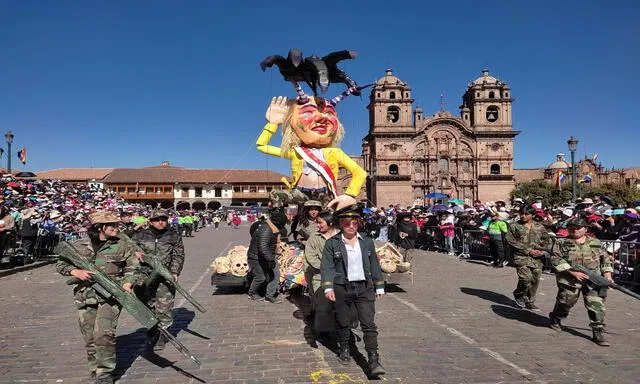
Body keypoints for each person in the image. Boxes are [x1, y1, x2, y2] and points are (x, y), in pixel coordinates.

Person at [55, 211, 142, 384]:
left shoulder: (122, 244)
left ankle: (105, 371)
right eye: (113, 225)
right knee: (89, 336)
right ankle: (94, 367)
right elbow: (61, 263)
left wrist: (128, 283)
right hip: (85, 296)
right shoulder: (78, 246)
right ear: (100, 228)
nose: (117, 228)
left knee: (103, 334)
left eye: (117, 225)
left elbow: (132, 266)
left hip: (111, 297)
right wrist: (75, 272)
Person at [321, 204, 386, 377]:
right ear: (341, 224)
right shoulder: (332, 244)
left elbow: (374, 265)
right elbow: (327, 266)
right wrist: (328, 286)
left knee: (368, 324)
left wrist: (379, 285)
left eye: (355, 223)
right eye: (347, 223)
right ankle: (344, 347)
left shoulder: (366, 242)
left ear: (359, 224)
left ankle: (373, 359)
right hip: (342, 287)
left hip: (364, 288)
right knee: (343, 321)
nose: (351, 226)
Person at [548, 216, 614, 346]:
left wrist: (607, 274)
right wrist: (572, 272)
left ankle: (598, 331)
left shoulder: (596, 242)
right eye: (571, 228)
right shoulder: (561, 243)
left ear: (586, 229)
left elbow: (605, 259)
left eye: (578, 228)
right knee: (566, 302)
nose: (574, 231)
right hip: (570, 280)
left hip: (593, 279)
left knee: (596, 305)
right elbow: (556, 259)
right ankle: (556, 317)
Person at [133, 209, 185, 351]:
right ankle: (152, 327)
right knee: (146, 304)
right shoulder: (140, 235)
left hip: (165, 275)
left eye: (163, 219)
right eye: (157, 220)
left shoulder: (173, 235)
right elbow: (130, 252)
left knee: (165, 305)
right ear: (150, 221)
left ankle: (162, 334)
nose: (160, 222)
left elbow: (178, 255)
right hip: (143, 275)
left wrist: (175, 271)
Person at [303, 210, 339, 346]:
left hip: (339, 277)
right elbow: (311, 257)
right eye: (316, 222)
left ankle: (339, 329)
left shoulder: (341, 236)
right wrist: (327, 267)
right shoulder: (314, 237)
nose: (317, 225)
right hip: (320, 276)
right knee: (323, 305)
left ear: (330, 222)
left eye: (320, 222)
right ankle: (323, 332)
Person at [505, 205, 551, 311]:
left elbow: (547, 240)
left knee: (535, 280)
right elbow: (510, 240)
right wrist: (528, 250)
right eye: (521, 214)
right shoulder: (514, 226)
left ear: (533, 215)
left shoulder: (540, 227)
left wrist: (543, 251)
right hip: (521, 257)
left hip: (537, 258)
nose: (523, 216)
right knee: (525, 278)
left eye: (526, 214)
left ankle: (529, 301)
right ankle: (519, 294)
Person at [246, 207, 287, 303]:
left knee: (272, 276)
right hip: (256, 257)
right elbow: (263, 246)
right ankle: (253, 293)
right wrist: (271, 260)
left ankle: (268, 294)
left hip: (265, 256)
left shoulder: (270, 227)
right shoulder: (266, 229)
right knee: (262, 277)